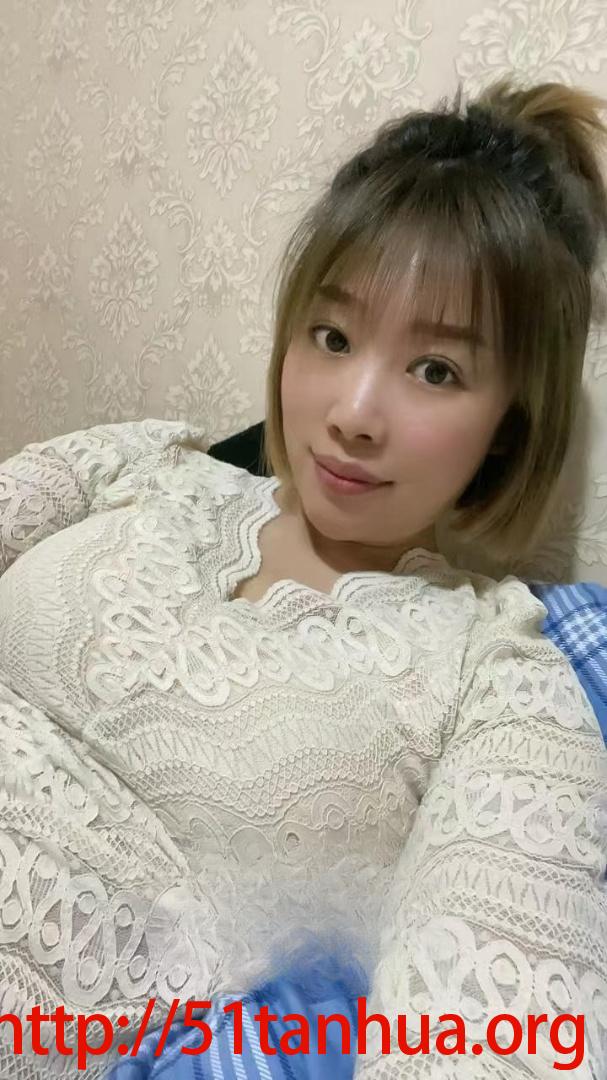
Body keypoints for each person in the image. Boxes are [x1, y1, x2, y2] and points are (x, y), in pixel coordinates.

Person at [0, 75, 606, 1079]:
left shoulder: (496, 673)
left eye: (436, 370)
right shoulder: (143, 465)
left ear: (510, 425)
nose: (352, 413)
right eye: (332, 336)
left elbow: (498, 1033)